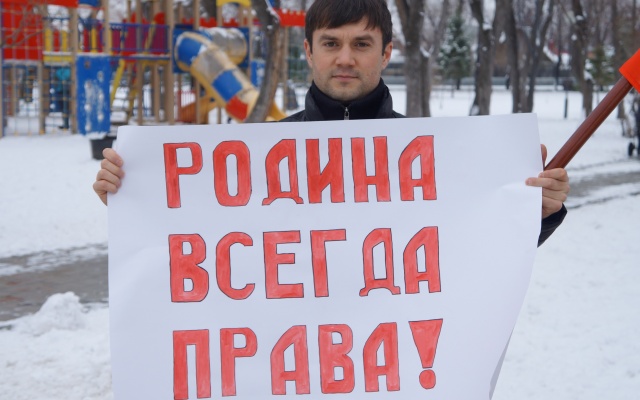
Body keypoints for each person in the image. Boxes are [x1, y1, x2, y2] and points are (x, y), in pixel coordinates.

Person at [93, 0, 569, 246]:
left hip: (394, 369)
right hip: (294, 370)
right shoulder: (257, 154)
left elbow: (475, 252)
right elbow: (200, 242)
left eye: (361, 44)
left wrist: (540, 213)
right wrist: (136, 198)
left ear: (386, 53)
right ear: (308, 51)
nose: (345, 58)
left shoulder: (428, 158)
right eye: (331, 43)